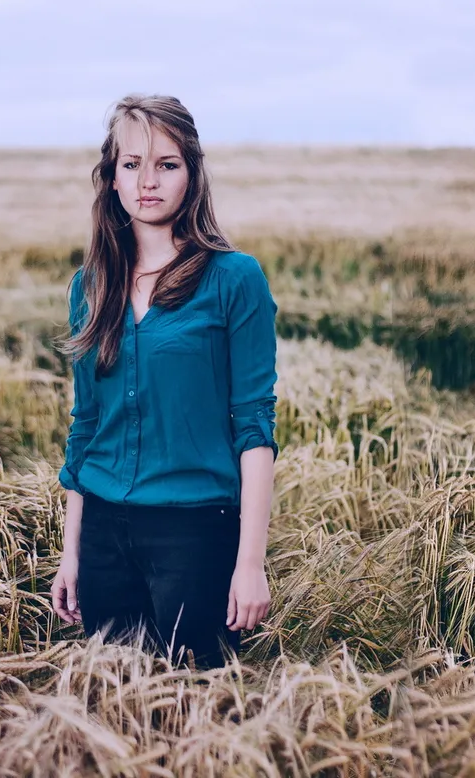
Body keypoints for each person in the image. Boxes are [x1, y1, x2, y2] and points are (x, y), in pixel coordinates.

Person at [48, 94, 279, 671]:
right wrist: (71, 553)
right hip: (103, 531)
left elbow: (254, 427)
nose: (147, 181)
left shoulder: (234, 279)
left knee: (197, 707)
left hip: (194, 534)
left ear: (192, 174)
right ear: (112, 177)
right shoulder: (90, 285)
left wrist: (250, 563)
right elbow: (86, 426)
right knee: (117, 708)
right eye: (132, 164)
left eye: (166, 164)